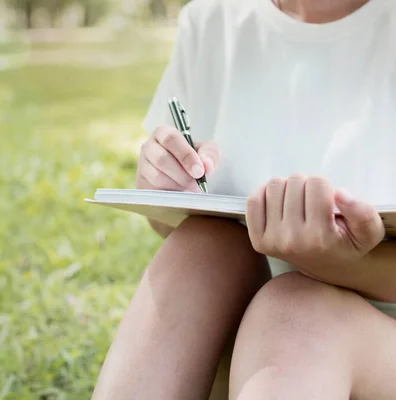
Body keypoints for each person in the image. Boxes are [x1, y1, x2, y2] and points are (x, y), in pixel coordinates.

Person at [92, 0, 396, 399]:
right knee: (203, 246)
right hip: (258, 363)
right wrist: (165, 185)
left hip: (370, 349)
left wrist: (349, 266)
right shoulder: (212, 21)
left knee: (296, 314)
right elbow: (169, 225)